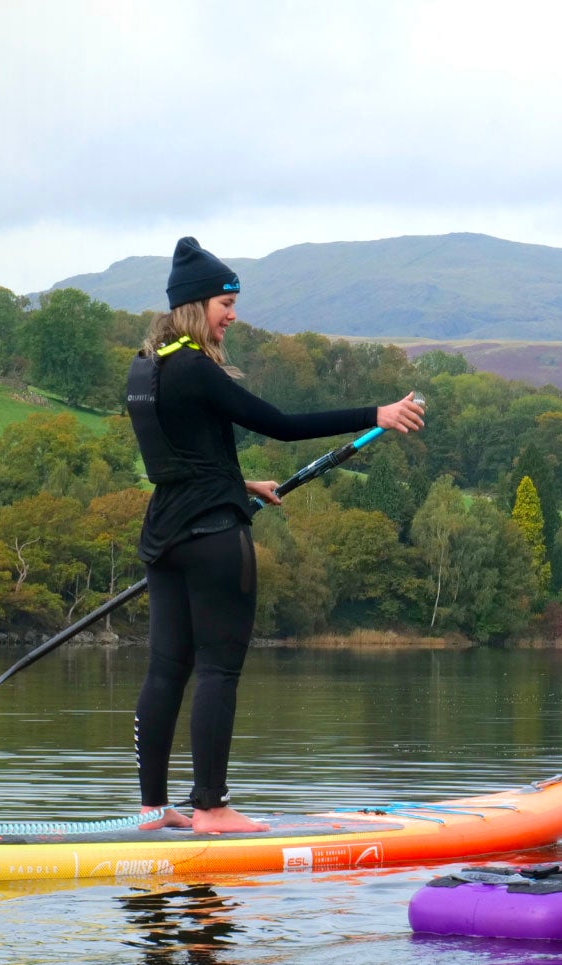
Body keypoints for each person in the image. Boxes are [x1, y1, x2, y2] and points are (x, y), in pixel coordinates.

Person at [124, 237, 424, 833]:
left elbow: (181, 452)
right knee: (217, 669)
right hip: (212, 537)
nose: (232, 315)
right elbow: (281, 426)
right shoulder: (195, 369)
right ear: (193, 305)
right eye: (224, 303)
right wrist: (375, 415)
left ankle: (155, 809)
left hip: (164, 535)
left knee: (166, 669)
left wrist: (238, 481)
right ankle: (211, 807)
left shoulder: (146, 366)